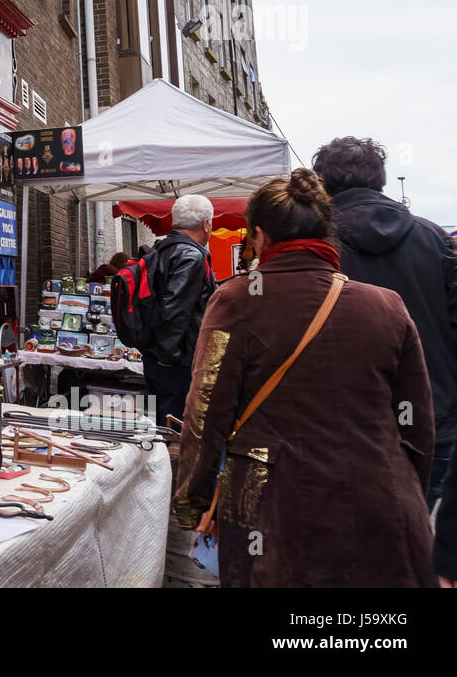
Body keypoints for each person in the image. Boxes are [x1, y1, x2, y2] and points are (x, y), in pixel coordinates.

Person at [174, 170, 436, 587]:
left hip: (273, 515)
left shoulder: (237, 299)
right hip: (383, 507)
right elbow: (419, 428)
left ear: (258, 235)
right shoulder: (387, 305)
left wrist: (192, 502)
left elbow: (205, 416)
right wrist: (406, 493)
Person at [313, 136, 457, 508]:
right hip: (431, 416)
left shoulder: (313, 246)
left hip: (339, 423)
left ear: (323, 184)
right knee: (421, 540)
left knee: (352, 545)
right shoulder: (433, 239)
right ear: (380, 180)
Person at [142, 195, 217, 424]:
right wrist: (168, 357)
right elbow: (176, 310)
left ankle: (158, 460)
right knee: (174, 427)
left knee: (161, 424)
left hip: (154, 354)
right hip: (177, 360)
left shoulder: (159, 250)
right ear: (205, 224)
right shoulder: (191, 256)